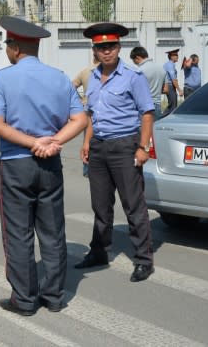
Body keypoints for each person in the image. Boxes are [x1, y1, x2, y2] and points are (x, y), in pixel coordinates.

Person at [0, 16, 87, 316]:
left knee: (18, 234)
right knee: (53, 231)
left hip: (16, 164)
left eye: (8, 45)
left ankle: (24, 300)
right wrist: (54, 142)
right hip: (50, 164)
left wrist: (32, 144)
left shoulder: (4, 78)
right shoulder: (59, 77)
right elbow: (80, 119)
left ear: (14, 48)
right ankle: (54, 296)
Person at [77, 23, 155, 283]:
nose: (106, 51)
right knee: (100, 205)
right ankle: (99, 251)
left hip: (125, 146)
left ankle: (143, 259)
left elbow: (147, 113)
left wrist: (143, 148)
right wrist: (87, 143)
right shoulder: (92, 78)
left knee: (133, 205)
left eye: (111, 46)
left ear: (119, 48)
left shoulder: (133, 77)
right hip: (99, 146)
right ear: (95, 51)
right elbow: (90, 115)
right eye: (101, 47)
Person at [72, 55, 99, 177]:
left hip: (88, 109)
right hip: (105, 111)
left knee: (88, 140)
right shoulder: (109, 71)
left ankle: (87, 169)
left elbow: (71, 86)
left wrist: (80, 100)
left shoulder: (85, 71)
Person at [130, 46, 165, 118]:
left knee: (143, 129)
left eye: (133, 60)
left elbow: (135, 91)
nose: (134, 63)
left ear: (137, 57)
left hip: (144, 106)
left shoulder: (139, 70)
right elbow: (166, 89)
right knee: (155, 128)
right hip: (157, 105)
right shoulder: (161, 68)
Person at [162, 48, 182, 114]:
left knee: (172, 105)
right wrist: (179, 90)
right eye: (175, 55)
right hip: (170, 86)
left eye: (177, 55)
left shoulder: (169, 64)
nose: (177, 56)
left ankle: (163, 118)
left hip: (170, 86)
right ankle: (161, 119)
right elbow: (173, 79)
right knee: (172, 106)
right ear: (171, 56)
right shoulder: (170, 65)